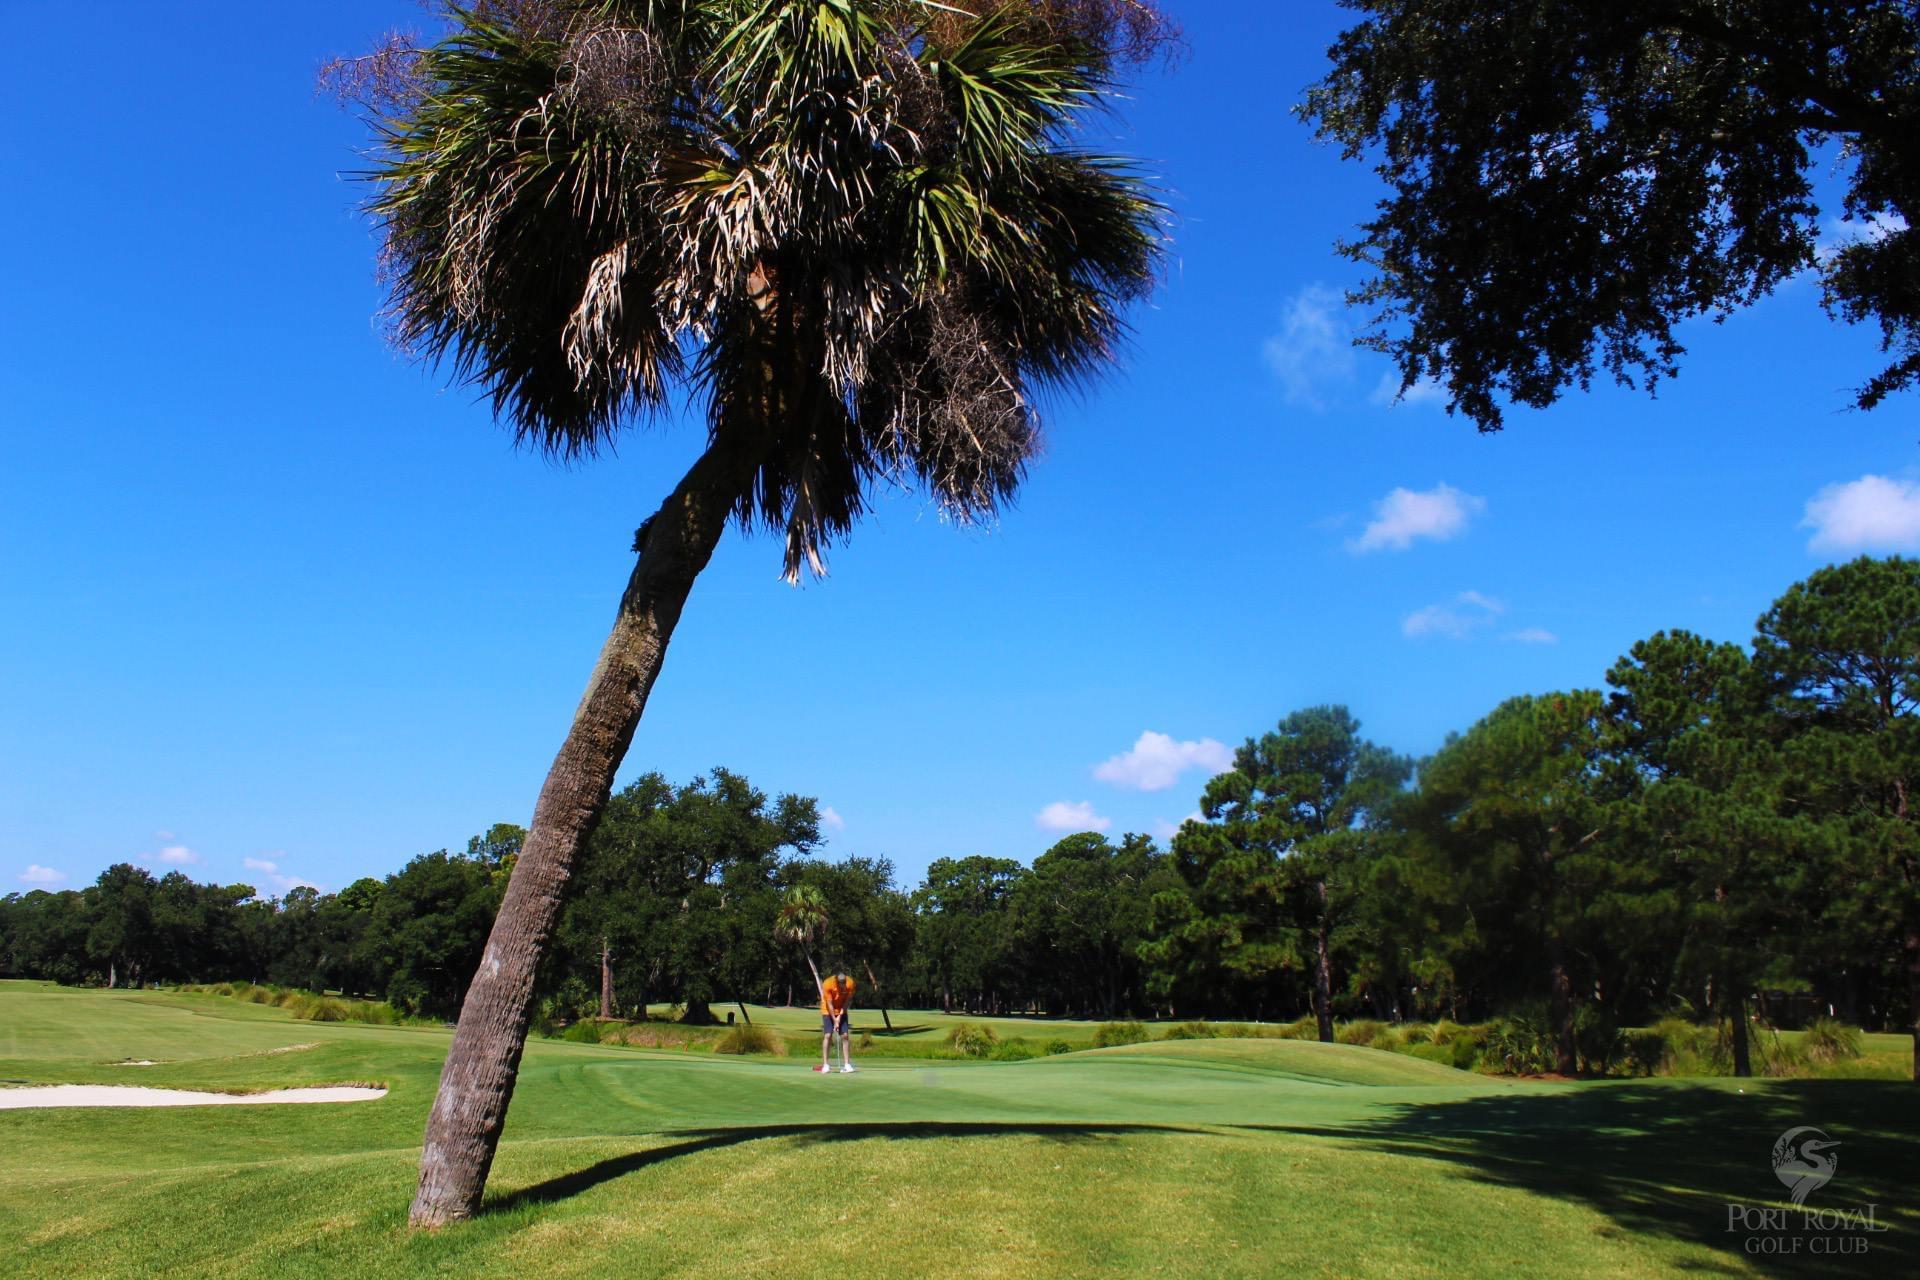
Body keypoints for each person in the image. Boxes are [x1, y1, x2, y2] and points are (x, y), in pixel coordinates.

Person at [817, 971, 856, 1074]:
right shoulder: (828, 984)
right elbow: (829, 1004)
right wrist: (835, 1020)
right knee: (828, 1035)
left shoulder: (850, 983)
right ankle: (826, 1065)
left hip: (841, 1010)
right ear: (836, 981)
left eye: (844, 983)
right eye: (841, 983)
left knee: (845, 1035)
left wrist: (839, 1017)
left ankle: (847, 1065)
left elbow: (847, 1002)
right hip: (827, 1010)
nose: (843, 985)